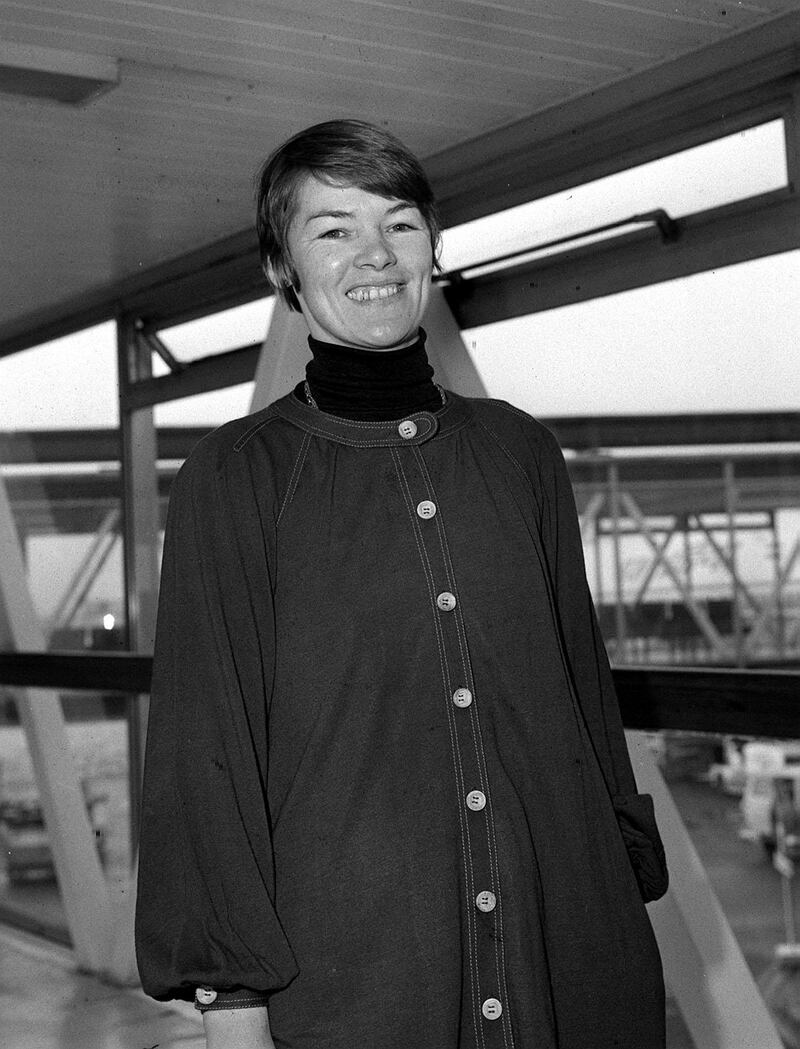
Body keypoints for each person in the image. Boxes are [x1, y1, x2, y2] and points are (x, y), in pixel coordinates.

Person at [135, 119, 668, 1049]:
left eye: (400, 223)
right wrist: (233, 1008)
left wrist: (621, 886)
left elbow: (587, 701)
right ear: (282, 269)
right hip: (367, 981)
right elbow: (204, 754)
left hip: (571, 952)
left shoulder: (520, 452)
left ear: (433, 248)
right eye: (332, 229)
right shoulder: (234, 478)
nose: (375, 254)